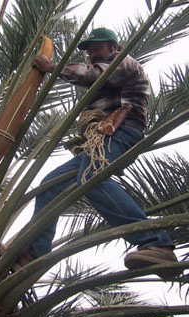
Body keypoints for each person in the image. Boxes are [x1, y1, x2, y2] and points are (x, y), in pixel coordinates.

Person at [20, 28, 179, 279]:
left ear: (114, 47)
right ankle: (34, 255)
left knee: (92, 177)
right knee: (50, 184)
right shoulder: (105, 78)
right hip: (100, 139)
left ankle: (156, 242)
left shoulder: (125, 63)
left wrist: (52, 67)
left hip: (122, 131)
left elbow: (93, 75)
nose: (92, 54)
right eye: (89, 50)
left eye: (98, 48)